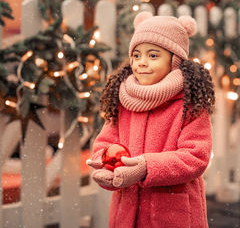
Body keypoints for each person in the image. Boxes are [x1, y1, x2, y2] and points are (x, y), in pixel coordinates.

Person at [87, 11, 215, 228]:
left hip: (172, 215)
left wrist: (147, 167)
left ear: (175, 61)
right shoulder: (124, 99)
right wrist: (105, 167)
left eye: (153, 56)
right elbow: (106, 143)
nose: (141, 63)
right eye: (137, 55)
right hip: (127, 214)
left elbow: (196, 156)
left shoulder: (189, 103)